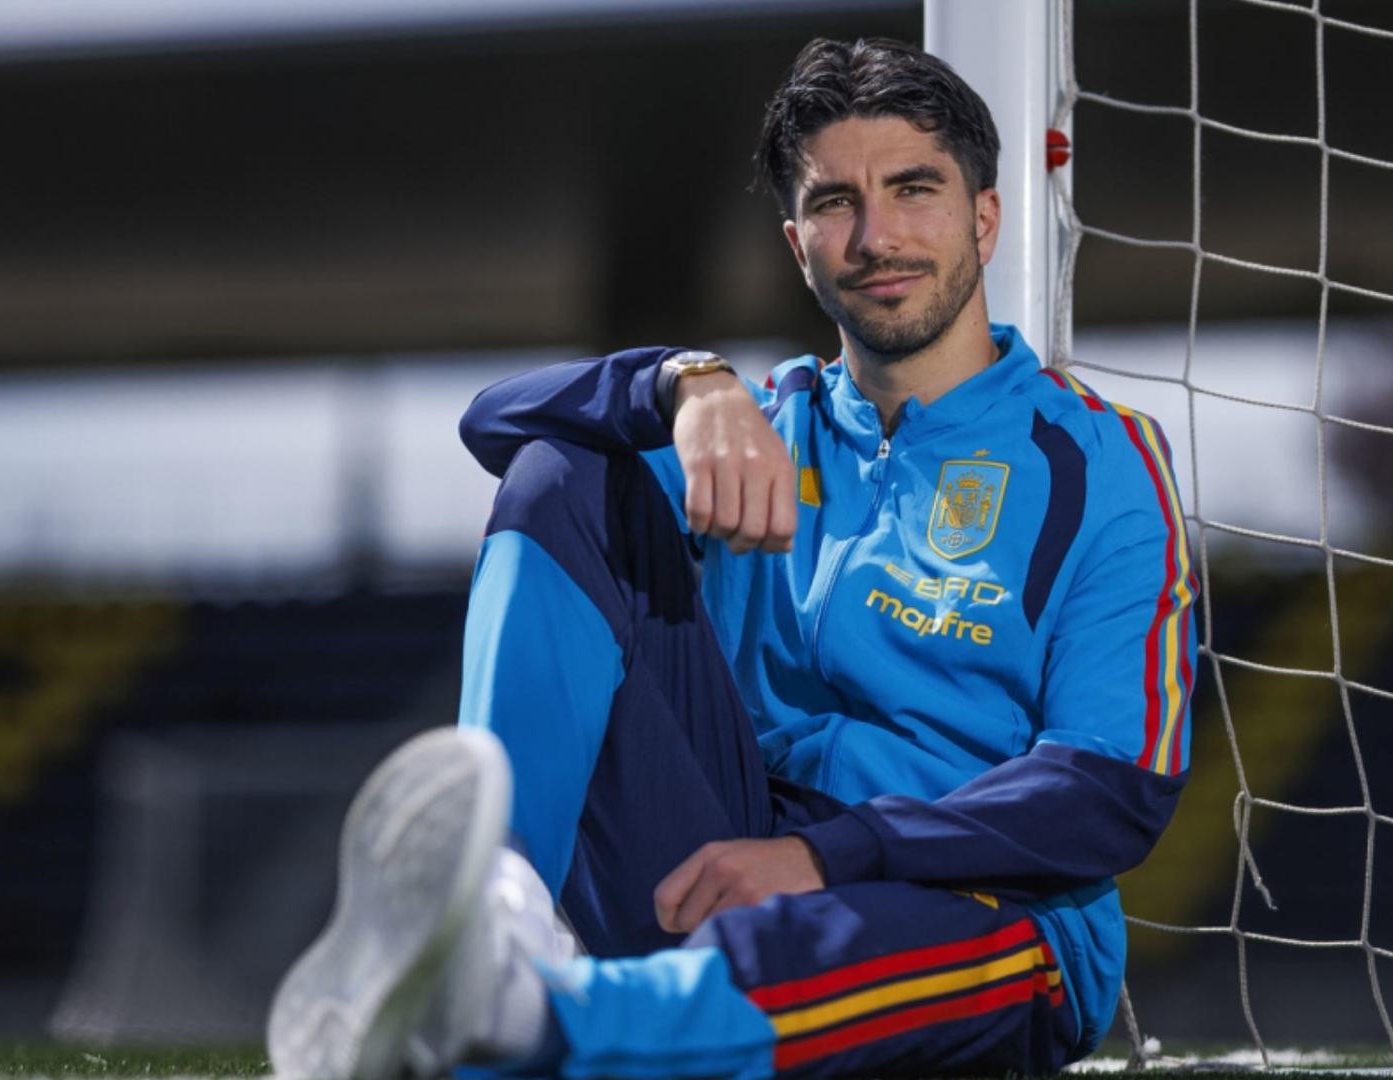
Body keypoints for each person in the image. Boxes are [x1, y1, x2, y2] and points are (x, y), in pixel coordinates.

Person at [267, 36, 1195, 1080]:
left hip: (983, 915)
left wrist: (829, 855)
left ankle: (509, 1030)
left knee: (805, 951)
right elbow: (500, 431)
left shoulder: (1100, 461)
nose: (877, 236)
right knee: (569, 475)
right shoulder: (760, 424)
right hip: (726, 851)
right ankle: (499, 912)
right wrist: (683, 383)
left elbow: (1114, 787)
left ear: (984, 219)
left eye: (914, 190)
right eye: (837, 202)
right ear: (799, 243)